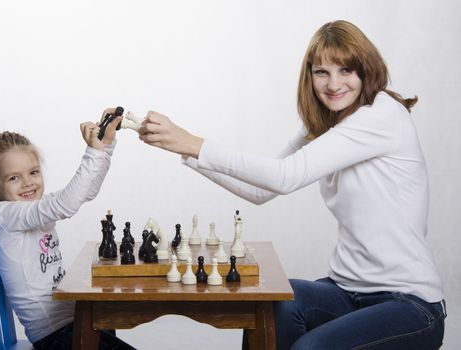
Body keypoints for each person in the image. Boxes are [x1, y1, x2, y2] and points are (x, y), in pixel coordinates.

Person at [138, 20, 446, 349]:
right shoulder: (325, 120)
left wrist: (192, 142)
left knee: (309, 349)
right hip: (345, 290)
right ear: (309, 75)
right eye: (321, 72)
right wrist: (183, 149)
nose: (333, 84)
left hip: (409, 304)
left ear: (366, 70)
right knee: (269, 310)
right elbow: (261, 191)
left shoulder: (381, 115)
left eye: (346, 70)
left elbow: (285, 176)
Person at [0, 108, 135, 350]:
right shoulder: (4, 215)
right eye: (13, 178)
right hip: (54, 336)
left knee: (106, 314)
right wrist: (93, 151)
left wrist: (106, 145)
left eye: (33, 172)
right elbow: (67, 205)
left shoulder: (34, 208)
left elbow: (86, 192)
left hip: (74, 321)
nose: (28, 182)